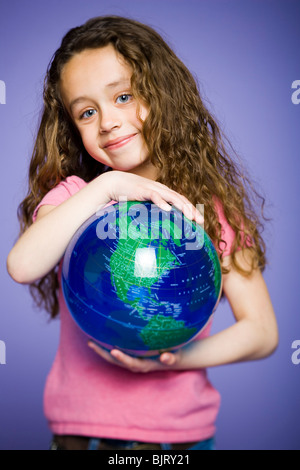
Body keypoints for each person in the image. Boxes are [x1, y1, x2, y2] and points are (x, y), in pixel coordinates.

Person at [7, 16, 278, 451]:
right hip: (78, 435)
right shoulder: (80, 197)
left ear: (161, 94)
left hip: (175, 442)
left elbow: (262, 331)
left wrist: (172, 362)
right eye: (87, 111)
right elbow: (22, 265)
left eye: (124, 96)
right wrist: (109, 187)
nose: (108, 121)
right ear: (73, 127)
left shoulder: (207, 211)